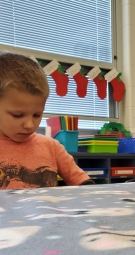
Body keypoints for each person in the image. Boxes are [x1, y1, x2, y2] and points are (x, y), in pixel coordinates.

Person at [0, 51, 94, 189]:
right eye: (17, 115)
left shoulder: (52, 147)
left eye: (37, 115)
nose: (29, 125)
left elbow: (82, 182)